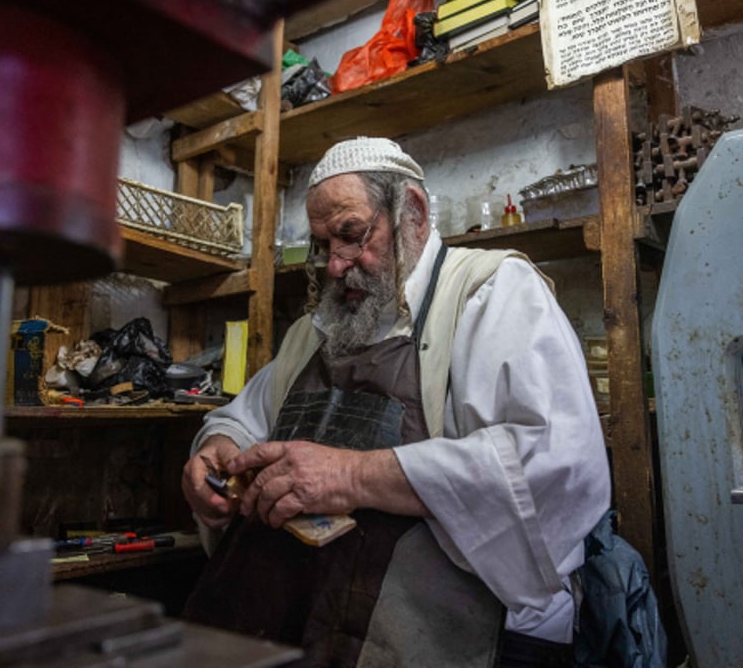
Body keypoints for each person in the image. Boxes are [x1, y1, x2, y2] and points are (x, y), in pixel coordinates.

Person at [180, 136, 611, 668]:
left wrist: (352, 476)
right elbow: (243, 418)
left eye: (351, 234)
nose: (335, 266)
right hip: (286, 620)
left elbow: (555, 465)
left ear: (413, 212)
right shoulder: (320, 327)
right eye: (322, 245)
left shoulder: (492, 293)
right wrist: (217, 452)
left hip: (430, 634)